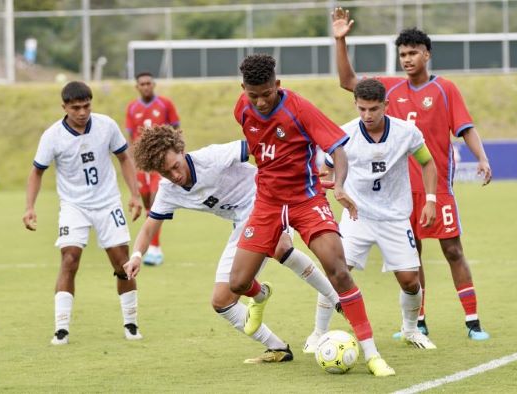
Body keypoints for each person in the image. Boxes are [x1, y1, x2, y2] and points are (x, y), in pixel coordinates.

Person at [228, 53, 395, 377]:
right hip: (267, 203)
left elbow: (338, 150)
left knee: (338, 269)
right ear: (243, 89)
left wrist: (342, 186)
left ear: (278, 84)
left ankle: (373, 354)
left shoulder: (299, 109)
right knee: (237, 283)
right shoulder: (242, 108)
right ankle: (260, 297)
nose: (261, 102)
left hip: (306, 199)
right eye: (253, 95)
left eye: (267, 93)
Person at [332, 7, 492, 340]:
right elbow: (348, 81)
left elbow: (466, 127)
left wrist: (482, 157)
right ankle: (418, 321)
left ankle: (472, 320)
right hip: (402, 193)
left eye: (413, 53)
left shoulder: (445, 89)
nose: (407, 59)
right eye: (402, 54)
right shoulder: (388, 90)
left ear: (426, 54)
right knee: (412, 255)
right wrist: (341, 40)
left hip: (437, 188)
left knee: (453, 250)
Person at [123, 124, 341, 363]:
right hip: (242, 225)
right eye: (165, 173)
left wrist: (299, 174)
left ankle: (338, 299)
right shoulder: (169, 191)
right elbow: (149, 227)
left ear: (181, 149)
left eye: (175, 166)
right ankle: (277, 347)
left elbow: (261, 147)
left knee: (280, 246)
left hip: (269, 201)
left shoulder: (212, 157)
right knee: (221, 301)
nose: (174, 175)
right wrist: (136, 256)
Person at [304, 79, 438, 352]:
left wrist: (431, 200)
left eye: (373, 109)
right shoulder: (343, 135)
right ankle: (318, 333)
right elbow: (326, 171)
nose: (367, 115)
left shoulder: (407, 132)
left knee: (410, 281)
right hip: (357, 218)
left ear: (386, 106)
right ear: (355, 105)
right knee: (336, 273)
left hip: (395, 218)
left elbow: (427, 162)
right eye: (362, 108)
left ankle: (411, 330)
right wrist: (335, 186)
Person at [23, 81, 143, 345]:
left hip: (108, 202)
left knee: (122, 261)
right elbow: (37, 172)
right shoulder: (52, 136)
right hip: (73, 205)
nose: (82, 112)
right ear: (64, 107)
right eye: (75, 107)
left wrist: (134, 195)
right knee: (69, 259)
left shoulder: (106, 126)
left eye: (86, 106)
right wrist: (29, 207)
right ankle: (61, 329)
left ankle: (131, 323)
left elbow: (124, 158)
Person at [125, 71, 180, 266]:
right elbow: (130, 138)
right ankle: (150, 246)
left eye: (149, 83)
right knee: (148, 203)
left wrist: (178, 156)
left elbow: (176, 130)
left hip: (161, 163)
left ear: (153, 84)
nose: (146, 86)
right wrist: (131, 163)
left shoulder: (165, 104)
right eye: (142, 84)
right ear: (137, 87)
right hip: (142, 164)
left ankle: (155, 249)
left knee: (157, 200)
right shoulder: (132, 108)